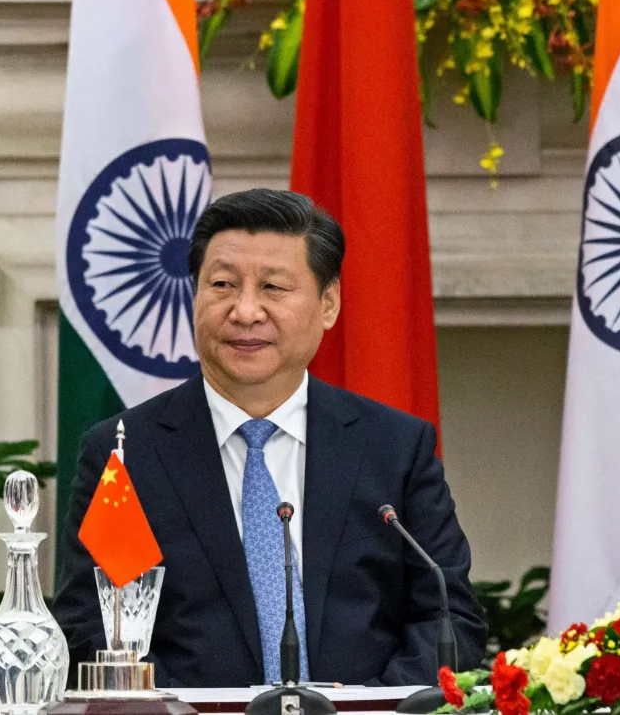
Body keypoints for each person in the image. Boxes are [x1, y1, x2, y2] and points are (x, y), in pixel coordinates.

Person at [54, 188, 486, 687]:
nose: (245, 311)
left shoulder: (393, 448)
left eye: (273, 288)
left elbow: (448, 618)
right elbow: (94, 629)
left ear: (328, 303)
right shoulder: (127, 454)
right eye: (222, 284)